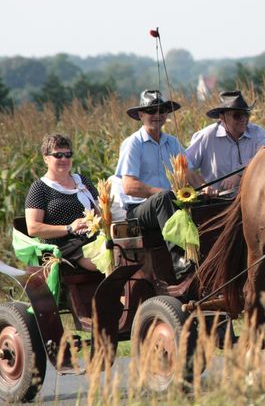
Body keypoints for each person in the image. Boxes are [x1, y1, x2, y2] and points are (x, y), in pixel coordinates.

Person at [114, 89, 192, 279]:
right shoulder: (133, 144)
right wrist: (165, 192)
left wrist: (208, 188)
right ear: (141, 115)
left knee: (200, 201)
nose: (157, 115)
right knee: (165, 197)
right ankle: (179, 260)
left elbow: (189, 174)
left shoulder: (172, 143)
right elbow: (129, 186)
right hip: (138, 210)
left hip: (169, 203)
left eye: (161, 110)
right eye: (151, 111)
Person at [25, 134, 100, 272]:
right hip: (64, 246)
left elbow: (100, 211)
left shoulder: (82, 181)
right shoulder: (39, 187)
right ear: (45, 158)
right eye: (58, 155)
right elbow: (33, 228)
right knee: (108, 260)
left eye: (68, 154)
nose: (64, 159)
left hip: (93, 238)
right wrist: (69, 228)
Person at [186, 90, 265, 195]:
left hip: (251, 201)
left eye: (246, 114)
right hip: (216, 202)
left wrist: (239, 174)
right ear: (222, 117)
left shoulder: (257, 132)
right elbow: (184, 166)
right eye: (237, 115)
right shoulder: (206, 136)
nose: (243, 119)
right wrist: (204, 187)